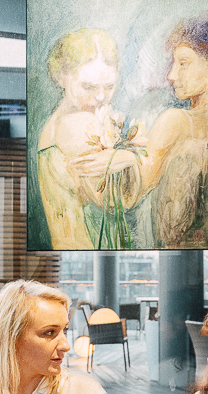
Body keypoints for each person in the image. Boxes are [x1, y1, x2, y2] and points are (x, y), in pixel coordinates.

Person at [73, 12, 208, 248]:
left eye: (183, 63)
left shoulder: (176, 121)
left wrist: (120, 159)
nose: (171, 75)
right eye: (173, 64)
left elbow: (128, 194)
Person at [36, 28, 141, 250]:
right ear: (62, 76)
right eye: (88, 86)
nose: (101, 97)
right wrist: (131, 159)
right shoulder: (77, 123)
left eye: (109, 86)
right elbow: (117, 201)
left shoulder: (56, 122)